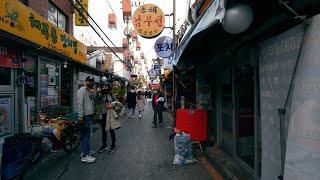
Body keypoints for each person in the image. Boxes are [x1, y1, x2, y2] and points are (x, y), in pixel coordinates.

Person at [77, 76, 96, 163]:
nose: (90, 83)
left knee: (87, 135)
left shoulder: (89, 91)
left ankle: (86, 151)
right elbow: (80, 103)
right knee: (86, 135)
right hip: (85, 116)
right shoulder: (82, 91)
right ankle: (85, 156)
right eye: (89, 81)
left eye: (92, 82)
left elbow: (92, 100)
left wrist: (92, 92)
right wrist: (80, 116)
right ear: (85, 81)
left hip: (89, 115)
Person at [104, 85, 120, 154]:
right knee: (104, 130)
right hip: (103, 114)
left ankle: (113, 144)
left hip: (110, 114)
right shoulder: (101, 94)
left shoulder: (111, 95)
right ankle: (104, 144)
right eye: (104, 87)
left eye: (106, 88)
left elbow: (117, 102)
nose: (105, 89)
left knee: (111, 129)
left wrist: (112, 105)